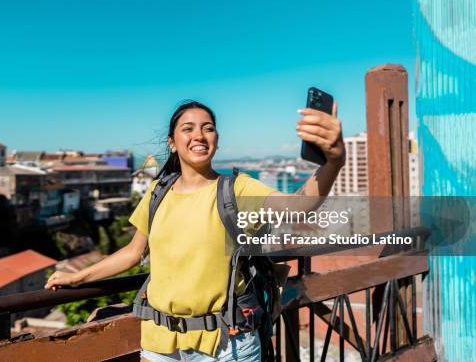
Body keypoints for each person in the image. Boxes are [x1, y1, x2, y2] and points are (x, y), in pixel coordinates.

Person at [45, 100, 345, 361]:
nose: (199, 135)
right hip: (159, 344)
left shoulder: (237, 189)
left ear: (217, 139)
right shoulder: (156, 193)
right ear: (172, 142)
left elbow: (300, 206)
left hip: (228, 346)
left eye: (208, 128)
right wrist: (76, 278)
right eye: (188, 129)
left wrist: (334, 160)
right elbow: (133, 253)